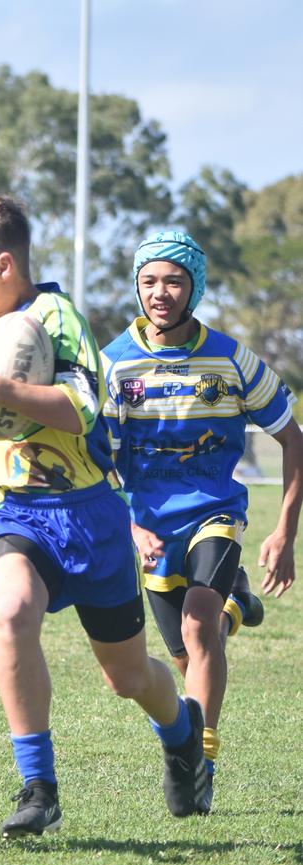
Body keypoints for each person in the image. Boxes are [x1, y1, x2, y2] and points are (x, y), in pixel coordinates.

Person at [0, 193, 210, 838]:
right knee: (11, 611)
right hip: (17, 509)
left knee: (128, 676)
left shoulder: (56, 317)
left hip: (92, 516)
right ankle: (38, 786)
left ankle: (183, 732)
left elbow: (79, 407)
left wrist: (3, 387)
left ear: (2, 264)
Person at [101, 230, 303, 806]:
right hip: (149, 527)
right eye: (148, 281)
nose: (159, 293)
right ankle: (237, 605)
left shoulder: (233, 359)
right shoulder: (113, 364)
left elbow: (294, 438)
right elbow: (97, 456)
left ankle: (201, 764)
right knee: (186, 653)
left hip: (215, 514)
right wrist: (127, 523)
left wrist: (285, 530)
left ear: (195, 287)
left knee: (197, 625)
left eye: (173, 281)